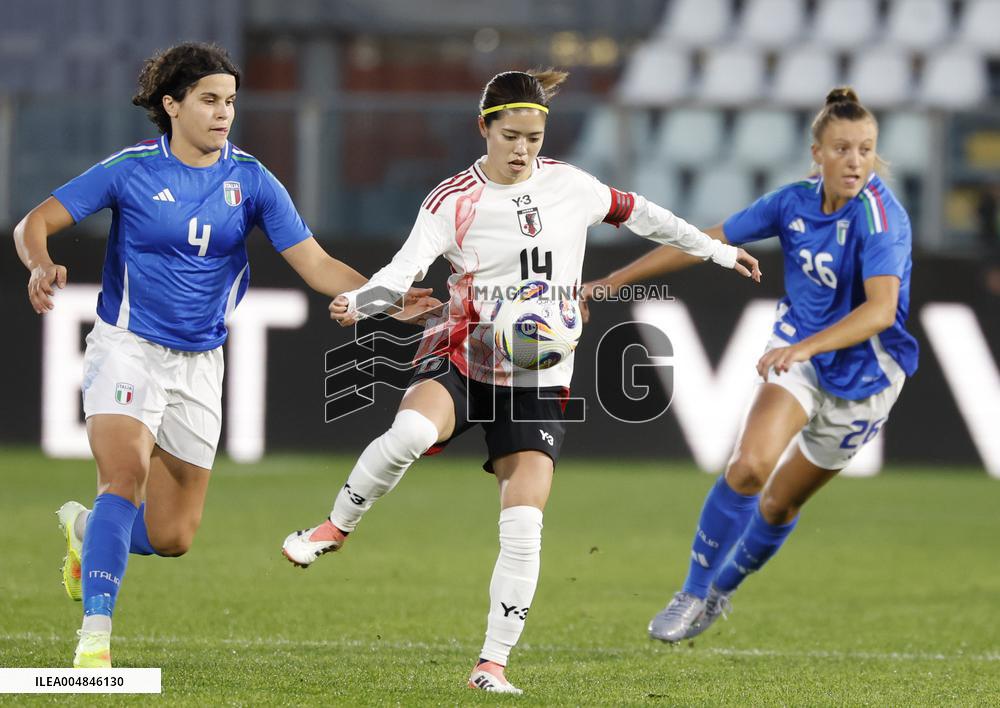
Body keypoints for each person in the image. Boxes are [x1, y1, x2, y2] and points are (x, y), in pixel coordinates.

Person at [280, 69, 761, 694]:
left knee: (526, 522)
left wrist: (719, 252)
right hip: (463, 351)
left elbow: (649, 217)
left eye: (533, 137)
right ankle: (334, 527)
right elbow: (400, 274)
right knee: (409, 434)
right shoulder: (451, 201)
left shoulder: (572, 186)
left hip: (538, 375)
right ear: (484, 128)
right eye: (510, 136)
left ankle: (491, 665)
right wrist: (362, 303)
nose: (522, 150)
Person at [12, 42, 435, 669]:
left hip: (200, 363)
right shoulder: (129, 170)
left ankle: (85, 534)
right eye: (209, 100)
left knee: (173, 536)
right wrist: (42, 264)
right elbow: (34, 223)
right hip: (126, 347)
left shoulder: (253, 181)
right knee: (122, 481)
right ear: (171, 104)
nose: (223, 113)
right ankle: (93, 642)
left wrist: (380, 299)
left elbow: (315, 263)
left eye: (230, 101)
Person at [583, 87, 919, 643]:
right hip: (800, 357)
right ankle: (691, 591)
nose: (855, 160)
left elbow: (881, 311)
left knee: (781, 502)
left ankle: (722, 591)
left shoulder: (884, 219)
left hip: (866, 378)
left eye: (865, 149)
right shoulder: (791, 203)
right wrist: (613, 281)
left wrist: (806, 348)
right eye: (842, 148)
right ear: (817, 153)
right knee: (748, 467)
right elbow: (704, 241)